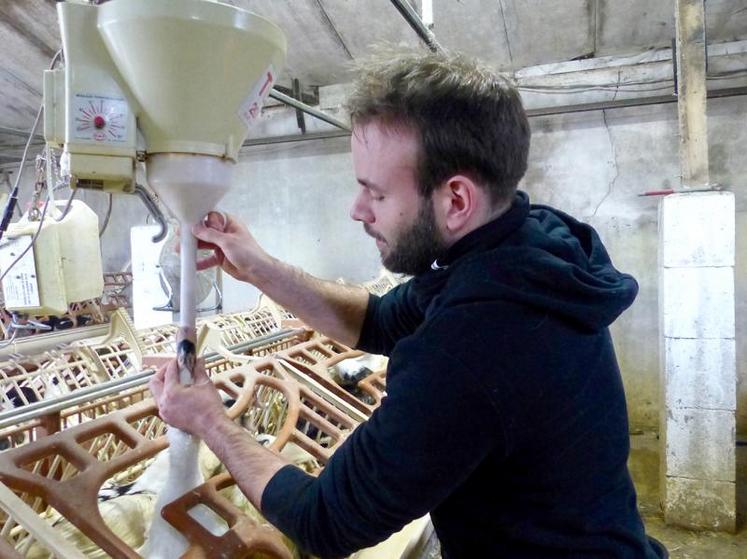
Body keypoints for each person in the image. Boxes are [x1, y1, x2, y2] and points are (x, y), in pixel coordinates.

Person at [149, 49, 667, 558]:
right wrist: (259, 266)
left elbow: (323, 521)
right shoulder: (525, 248)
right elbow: (378, 320)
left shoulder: (471, 346)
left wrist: (211, 420)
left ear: (456, 200)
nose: (357, 210)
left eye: (374, 194)